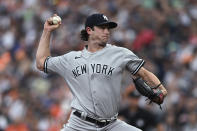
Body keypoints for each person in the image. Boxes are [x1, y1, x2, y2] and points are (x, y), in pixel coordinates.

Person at [36, 13, 167, 131]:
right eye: (102, 28)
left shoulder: (120, 53)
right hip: (79, 125)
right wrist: (47, 31)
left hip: (111, 125)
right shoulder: (70, 59)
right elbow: (41, 63)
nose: (107, 31)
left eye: (108, 28)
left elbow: (144, 73)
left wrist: (161, 88)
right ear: (89, 30)